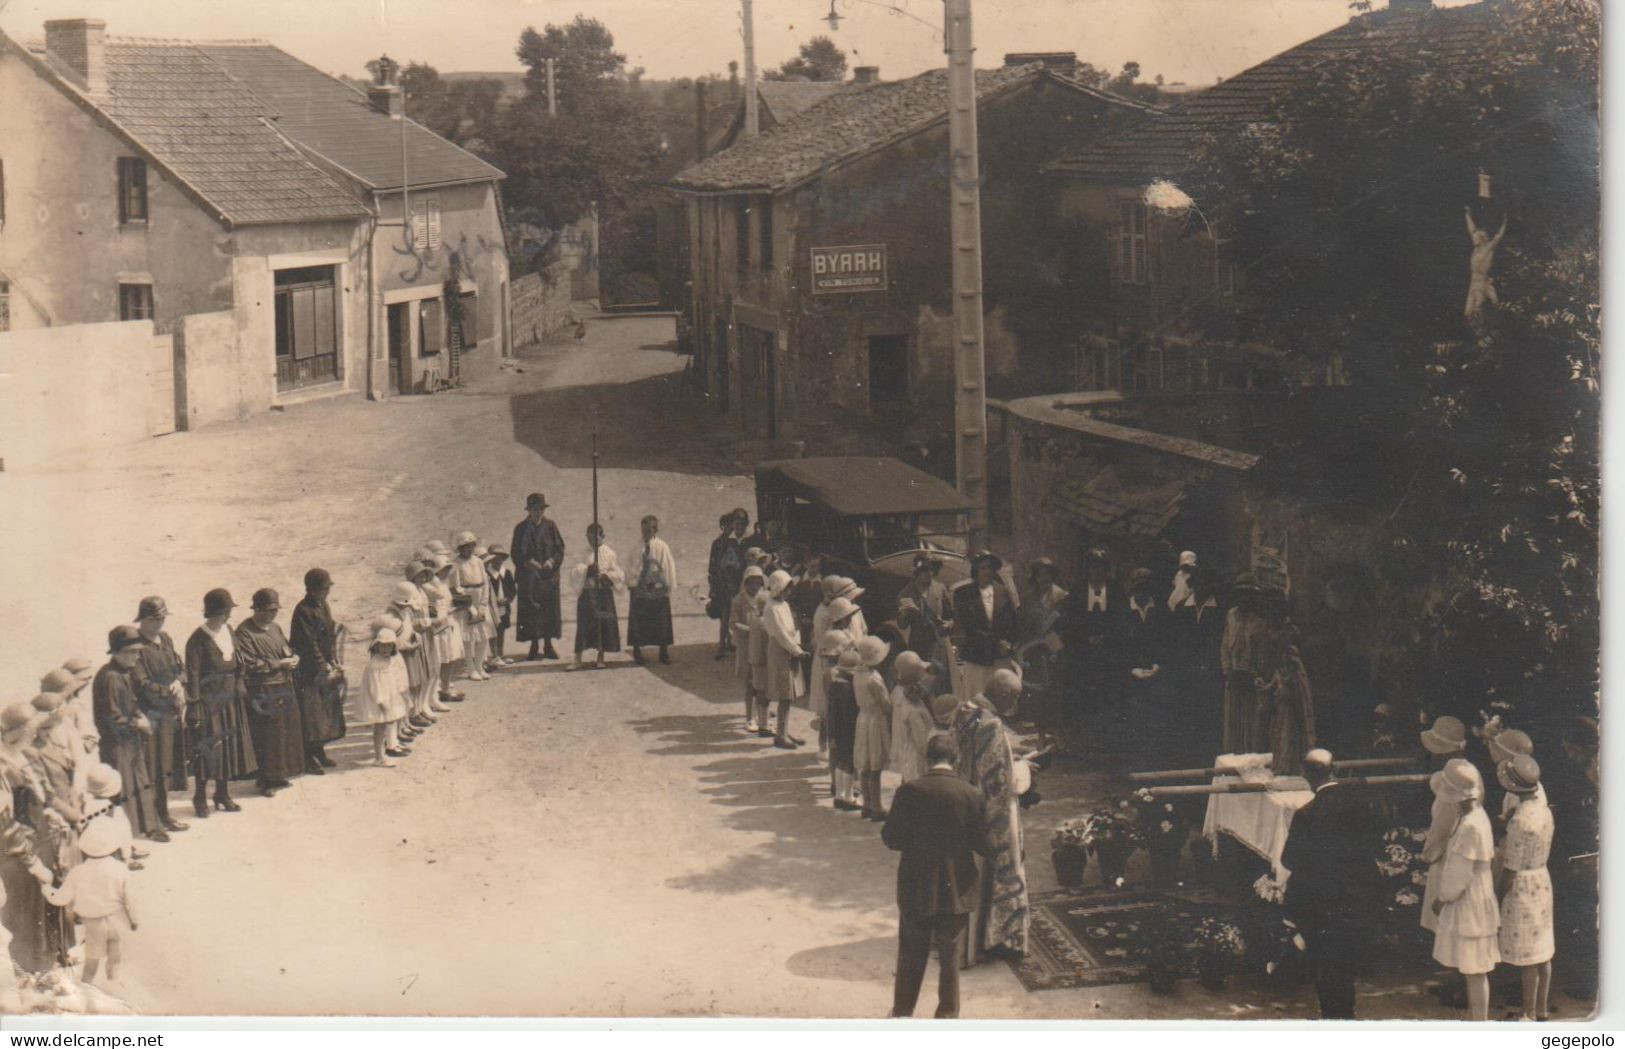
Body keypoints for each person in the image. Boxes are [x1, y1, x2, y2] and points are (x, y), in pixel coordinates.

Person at [882, 732, 988, 1019]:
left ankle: (903, 1012)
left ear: (926, 758)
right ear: (956, 759)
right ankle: (947, 1015)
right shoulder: (972, 794)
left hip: (916, 884)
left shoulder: (909, 791)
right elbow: (983, 844)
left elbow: (891, 839)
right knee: (950, 954)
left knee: (911, 951)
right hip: (957, 887)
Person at [1279, 749, 1380, 1019]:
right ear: (1333, 770)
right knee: (1346, 964)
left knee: (1326, 966)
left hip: (1321, 904)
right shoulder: (1359, 805)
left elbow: (1289, 860)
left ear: (1308, 775)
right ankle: (1347, 1016)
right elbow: (1371, 848)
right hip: (1356, 900)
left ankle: (1333, 1020)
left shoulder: (1306, 814)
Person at [951, 669, 1029, 963]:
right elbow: (998, 781)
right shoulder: (992, 725)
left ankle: (975, 936)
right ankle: (1002, 938)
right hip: (992, 810)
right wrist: (1023, 771)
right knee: (1005, 868)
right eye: (1016, 698)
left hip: (964, 800)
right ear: (1007, 696)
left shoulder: (965, 709)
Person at [1429, 760, 1501, 1021]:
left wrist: (1441, 898)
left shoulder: (1471, 824)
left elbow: (1460, 872)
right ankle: (1477, 1020)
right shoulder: (1474, 815)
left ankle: (1479, 1023)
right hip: (1474, 893)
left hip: (1469, 897)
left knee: (1475, 967)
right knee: (1473, 966)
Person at [28, 816, 134, 988]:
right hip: (117, 919)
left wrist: (46, 889)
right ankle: (115, 983)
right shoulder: (121, 869)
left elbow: (61, 898)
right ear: (113, 848)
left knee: (92, 958)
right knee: (115, 952)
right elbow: (129, 898)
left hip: (93, 923)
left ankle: (87, 986)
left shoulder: (78, 872)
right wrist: (133, 920)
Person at [1497, 754, 1555, 1021]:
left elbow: (1512, 866)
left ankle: (1528, 1012)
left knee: (1528, 956)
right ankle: (1541, 1008)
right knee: (1543, 949)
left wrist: (1498, 894)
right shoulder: (1544, 810)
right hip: (1541, 879)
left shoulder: (1519, 820)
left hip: (1522, 884)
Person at [92, 627, 161, 842]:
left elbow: (130, 703)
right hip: (118, 743)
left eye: (138, 652)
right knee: (123, 790)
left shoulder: (124, 673)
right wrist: (137, 724)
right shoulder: (110, 677)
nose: (137, 657)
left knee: (139, 782)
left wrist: (140, 716)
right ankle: (124, 840)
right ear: (116, 653)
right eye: (132, 652)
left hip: (130, 741)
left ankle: (147, 828)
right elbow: (112, 719)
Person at [235, 589, 305, 797]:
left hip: (283, 684)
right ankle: (266, 780)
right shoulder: (245, 632)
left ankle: (280, 774)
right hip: (263, 689)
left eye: (274, 610)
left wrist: (293, 658)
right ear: (256, 609)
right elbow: (249, 663)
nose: (272, 614)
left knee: (285, 732)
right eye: (267, 610)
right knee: (267, 735)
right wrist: (278, 663)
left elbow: (286, 648)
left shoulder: (274, 628)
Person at [182, 588, 247, 816]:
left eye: (228, 612)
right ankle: (200, 796)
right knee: (209, 748)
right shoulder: (197, 640)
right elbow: (193, 676)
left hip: (229, 699)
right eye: (223, 612)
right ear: (212, 613)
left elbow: (239, 661)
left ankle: (222, 793)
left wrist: (239, 682)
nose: (227, 617)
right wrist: (195, 706)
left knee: (227, 747)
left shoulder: (229, 630)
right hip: (209, 702)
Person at [130, 597, 188, 833]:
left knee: (165, 766)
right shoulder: (135, 645)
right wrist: (168, 692)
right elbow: (141, 683)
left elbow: (179, 666)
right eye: (156, 619)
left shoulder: (165, 639)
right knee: (151, 767)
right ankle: (150, 818)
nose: (160, 623)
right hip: (150, 713)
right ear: (143, 618)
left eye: (163, 618)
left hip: (168, 713)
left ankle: (164, 813)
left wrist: (179, 683)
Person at [1056, 548, 1125, 746]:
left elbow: (1122, 620)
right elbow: (1067, 621)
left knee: (1107, 695)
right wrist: (1084, 638)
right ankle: (1082, 740)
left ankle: (1106, 740)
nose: (1097, 572)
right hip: (1082, 653)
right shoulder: (1078, 591)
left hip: (1108, 653)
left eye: (1101, 567)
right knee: (1082, 695)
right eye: (1093, 567)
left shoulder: (1117, 591)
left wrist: (1107, 637)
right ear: (1088, 569)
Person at [289, 569, 347, 774]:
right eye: (323, 589)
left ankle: (320, 750)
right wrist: (323, 666)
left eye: (327, 588)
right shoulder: (303, 610)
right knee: (311, 716)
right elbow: (308, 644)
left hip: (324, 669)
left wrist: (333, 659)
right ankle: (308, 757)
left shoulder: (324, 605)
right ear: (312, 589)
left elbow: (328, 635)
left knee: (325, 713)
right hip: (309, 672)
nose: (326, 592)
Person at [1420, 717, 1470, 938]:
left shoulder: (1448, 781)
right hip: (1466, 850)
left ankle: (1451, 965)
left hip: (1449, 851)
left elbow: (1442, 822)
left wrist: (1429, 854)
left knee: (1446, 910)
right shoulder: (1469, 770)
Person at [951, 552, 1020, 707]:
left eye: (989, 567)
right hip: (976, 655)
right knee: (976, 699)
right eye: (982, 567)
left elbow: (1013, 622)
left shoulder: (1003, 592)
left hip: (999, 656)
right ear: (976, 569)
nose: (986, 572)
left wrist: (1009, 642)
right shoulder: (963, 594)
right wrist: (996, 643)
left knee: (1000, 697)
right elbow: (965, 627)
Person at [512, 493, 566, 661]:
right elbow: (515, 552)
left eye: (540, 509)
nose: (538, 513)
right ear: (529, 510)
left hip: (549, 577)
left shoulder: (551, 526)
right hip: (529, 577)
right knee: (532, 611)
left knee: (549, 611)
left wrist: (552, 560)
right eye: (535, 509)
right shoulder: (521, 528)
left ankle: (548, 646)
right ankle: (534, 646)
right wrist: (528, 562)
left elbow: (560, 549)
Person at [1122, 568, 1169, 762]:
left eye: (1146, 589)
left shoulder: (1161, 611)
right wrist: (1132, 669)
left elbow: (1168, 642)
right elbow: (1117, 646)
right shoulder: (1122, 611)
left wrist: (1158, 665)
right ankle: (1133, 759)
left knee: (1154, 715)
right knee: (1132, 716)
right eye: (1138, 589)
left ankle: (1153, 757)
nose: (1142, 593)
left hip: (1154, 672)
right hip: (1130, 674)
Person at [1219, 574, 1268, 754]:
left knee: (1250, 726)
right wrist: (1227, 671)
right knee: (1233, 725)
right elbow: (1225, 645)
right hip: (1233, 678)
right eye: (1241, 594)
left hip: (1251, 681)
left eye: (1248, 594)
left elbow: (1262, 655)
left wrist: (1253, 676)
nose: (1244, 598)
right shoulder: (1231, 616)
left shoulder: (1260, 622)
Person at [761, 570, 807, 749]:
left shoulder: (784, 605)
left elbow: (792, 628)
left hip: (790, 649)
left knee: (790, 694)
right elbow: (780, 634)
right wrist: (796, 650)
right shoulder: (771, 607)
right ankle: (780, 735)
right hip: (780, 651)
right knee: (784, 694)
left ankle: (784, 730)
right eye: (787, 588)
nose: (789, 591)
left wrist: (798, 646)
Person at [569, 524, 625, 671]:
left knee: (602, 625)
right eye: (588, 537)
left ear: (602, 536)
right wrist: (587, 569)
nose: (591, 540)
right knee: (583, 626)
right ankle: (577, 658)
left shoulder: (610, 553)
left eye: (594, 537)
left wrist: (606, 575)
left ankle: (601, 657)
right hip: (587, 593)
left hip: (603, 594)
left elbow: (619, 574)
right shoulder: (582, 553)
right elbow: (574, 572)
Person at [1262, 626, 1316, 775]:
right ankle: (1280, 763)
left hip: (1292, 711)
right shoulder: (1279, 671)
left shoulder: (1296, 669)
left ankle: (1291, 765)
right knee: (1278, 736)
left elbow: (1300, 690)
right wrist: (1262, 686)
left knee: (1290, 737)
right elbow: (1271, 686)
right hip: (1280, 710)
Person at [356, 626, 410, 768]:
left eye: (389, 646)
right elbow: (375, 686)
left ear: (393, 647)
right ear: (377, 646)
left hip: (391, 697)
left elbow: (396, 679)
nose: (385, 649)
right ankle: (379, 757)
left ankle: (383, 752)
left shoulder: (391, 661)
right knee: (380, 728)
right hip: (379, 701)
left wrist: (402, 694)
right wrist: (382, 702)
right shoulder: (374, 664)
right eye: (382, 646)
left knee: (387, 725)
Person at [627, 516, 678, 665]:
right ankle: (637, 651)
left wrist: (666, 586)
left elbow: (668, 567)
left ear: (655, 530)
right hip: (641, 589)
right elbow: (631, 566)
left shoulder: (662, 547)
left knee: (661, 621)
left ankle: (663, 652)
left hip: (657, 589)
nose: (645, 533)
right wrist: (633, 582)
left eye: (648, 530)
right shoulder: (636, 547)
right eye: (643, 530)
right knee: (638, 620)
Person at [853, 636, 893, 819]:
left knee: (865, 764)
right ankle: (877, 806)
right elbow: (885, 704)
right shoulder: (874, 679)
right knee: (875, 766)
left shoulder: (857, 674)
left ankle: (866, 804)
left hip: (863, 719)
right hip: (876, 721)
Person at [451, 533, 494, 682]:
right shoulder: (456, 564)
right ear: (460, 548)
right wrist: (469, 605)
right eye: (466, 547)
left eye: (471, 546)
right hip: (466, 603)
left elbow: (485, 583)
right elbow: (456, 587)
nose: (469, 549)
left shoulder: (478, 561)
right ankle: (470, 668)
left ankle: (480, 666)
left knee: (483, 636)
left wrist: (482, 604)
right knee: (469, 638)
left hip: (480, 600)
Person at [889, 652, 936, 785]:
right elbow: (920, 740)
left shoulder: (896, 693)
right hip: (915, 756)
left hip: (901, 748)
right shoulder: (914, 710)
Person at [898, 554, 953, 667]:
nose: (929, 573)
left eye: (932, 570)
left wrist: (949, 624)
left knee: (940, 680)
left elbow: (951, 616)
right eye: (925, 570)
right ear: (917, 572)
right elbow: (902, 625)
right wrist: (904, 615)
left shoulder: (940, 588)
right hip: (918, 646)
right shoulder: (906, 593)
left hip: (939, 644)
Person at [428, 555, 467, 704]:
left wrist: (456, 607)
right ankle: (440, 690)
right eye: (444, 569)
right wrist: (452, 610)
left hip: (450, 624)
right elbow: (437, 611)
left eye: (448, 569)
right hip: (441, 628)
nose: (446, 572)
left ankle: (446, 687)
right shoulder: (432, 587)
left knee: (451, 658)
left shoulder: (443, 584)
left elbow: (447, 605)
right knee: (444, 659)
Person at [732, 568, 767, 730]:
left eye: (758, 583)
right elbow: (734, 622)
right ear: (745, 583)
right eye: (751, 583)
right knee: (750, 682)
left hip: (762, 645)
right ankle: (749, 717)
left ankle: (762, 715)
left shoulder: (764, 598)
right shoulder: (739, 600)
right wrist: (751, 630)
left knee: (762, 682)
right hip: (746, 646)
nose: (755, 587)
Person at [708, 511, 746, 659]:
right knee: (725, 614)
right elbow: (714, 565)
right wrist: (714, 584)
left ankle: (729, 641)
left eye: (743, 525)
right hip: (725, 583)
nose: (739, 528)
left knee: (733, 614)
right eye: (737, 525)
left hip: (740, 582)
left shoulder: (744, 541)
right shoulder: (721, 543)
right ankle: (721, 645)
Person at [483, 544, 517, 668]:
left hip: (504, 606)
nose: (497, 560)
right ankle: (494, 655)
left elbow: (512, 589)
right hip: (492, 607)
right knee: (493, 630)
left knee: (501, 629)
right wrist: (493, 601)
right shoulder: (487, 574)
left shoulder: (506, 573)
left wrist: (507, 599)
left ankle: (501, 654)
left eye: (500, 558)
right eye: (494, 558)